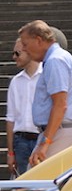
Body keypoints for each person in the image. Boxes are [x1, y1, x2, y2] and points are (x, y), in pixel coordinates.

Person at [19, 20, 72, 165]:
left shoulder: (55, 61)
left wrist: (45, 143)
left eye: (25, 44)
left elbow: (60, 104)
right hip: (60, 131)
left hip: (59, 132)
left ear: (38, 40)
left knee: (37, 183)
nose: (24, 49)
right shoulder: (58, 58)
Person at [6, 37, 41, 176]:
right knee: (24, 183)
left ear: (29, 51)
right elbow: (11, 118)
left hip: (41, 138)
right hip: (21, 141)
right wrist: (10, 152)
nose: (14, 57)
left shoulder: (46, 76)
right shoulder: (16, 81)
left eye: (17, 53)